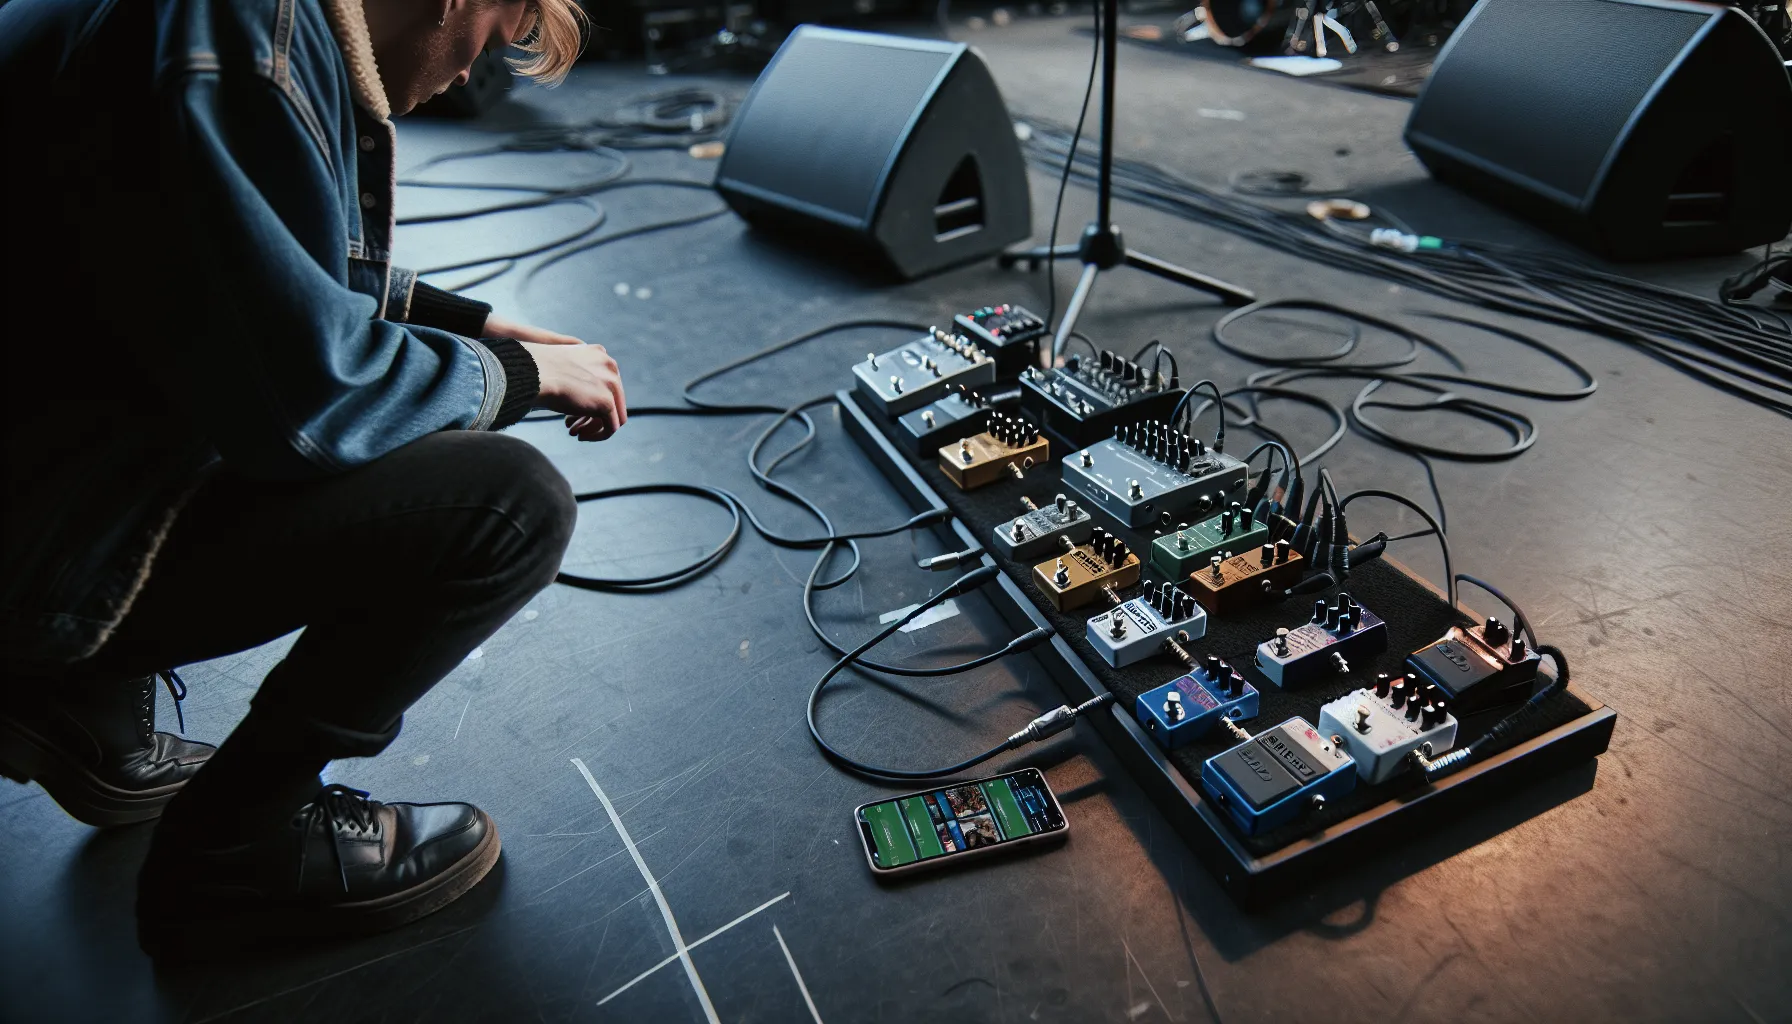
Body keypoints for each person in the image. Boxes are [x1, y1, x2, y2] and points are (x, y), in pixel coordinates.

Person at [0, 0, 617, 951]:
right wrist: (523, 377)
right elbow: (304, 406)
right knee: (506, 505)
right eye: (489, 41)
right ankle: (234, 850)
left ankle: (74, 703)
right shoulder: (242, 33)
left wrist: (470, 322)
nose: (467, 77)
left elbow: (224, 257)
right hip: (34, 552)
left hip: (41, 478)